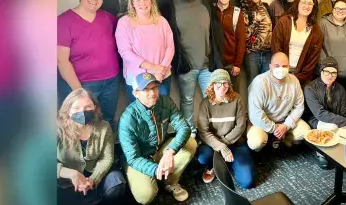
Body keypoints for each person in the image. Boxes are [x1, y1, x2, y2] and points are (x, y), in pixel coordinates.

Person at [118, 72, 197, 204]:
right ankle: (155, 177)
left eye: (154, 88)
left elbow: (184, 127)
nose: (153, 93)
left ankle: (170, 182)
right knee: (145, 196)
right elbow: (132, 157)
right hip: (139, 159)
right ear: (136, 93)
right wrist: (155, 170)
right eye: (146, 90)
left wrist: (170, 151)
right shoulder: (127, 118)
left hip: (161, 150)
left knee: (191, 143)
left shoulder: (165, 101)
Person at [162, 0, 222, 136]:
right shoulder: (170, 8)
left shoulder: (205, 4)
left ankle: (212, 133)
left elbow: (213, 35)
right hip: (186, 65)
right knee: (187, 102)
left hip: (206, 65)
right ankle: (190, 136)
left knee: (213, 100)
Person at [57, 0, 120, 130]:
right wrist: (79, 92)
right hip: (83, 83)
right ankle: (85, 153)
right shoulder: (64, 21)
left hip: (111, 81)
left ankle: (107, 152)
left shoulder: (107, 18)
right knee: (81, 124)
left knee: (107, 120)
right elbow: (62, 61)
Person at [57, 88, 126, 205]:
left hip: (95, 172)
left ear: (95, 107)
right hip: (67, 178)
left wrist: (93, 179)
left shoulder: (104, 126)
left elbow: (107, 158)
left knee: (117, 184)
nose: (83, 112)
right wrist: (70, 173)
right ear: (68, 110)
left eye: (88, 107)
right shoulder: (58, 129)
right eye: (76, 108)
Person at [196, 69, 254, 188]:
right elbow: (204, 132)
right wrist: (221, 147)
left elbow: (240, 126)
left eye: (225, 83)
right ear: (212, 85)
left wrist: (224, 144)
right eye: (218, 83)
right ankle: (214, 165)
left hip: (236, 143)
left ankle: (225, 162)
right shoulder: (205, 104)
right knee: (202, 157)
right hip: (214, 144)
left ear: (229, 84)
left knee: (247, 182)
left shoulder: (237, 99)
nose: (222, 87)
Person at [115, 0, 175, 102]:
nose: (142, 3)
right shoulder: (124, 23)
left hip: (162, 76)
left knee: (162, 112)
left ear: (151, 1)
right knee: (140, 115)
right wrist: (154, 68)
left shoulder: (161, 21)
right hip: (137, 79)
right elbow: (126, 53)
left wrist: (160, 72)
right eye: (138, 1)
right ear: (132, 4)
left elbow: (170, 48)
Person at [247, 52, 311, 152]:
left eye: (284, 66)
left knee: (305, 132)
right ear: (270, 67)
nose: (280, 69)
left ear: (289, 67)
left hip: (284, 122)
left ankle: (282, 139)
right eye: (277, 66)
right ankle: (268, 142)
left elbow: (299, 107)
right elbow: (255, 114)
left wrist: (286, 125)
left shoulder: (294, 80)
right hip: (263, 123)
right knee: (255, 142)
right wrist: (274, 128)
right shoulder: (259, 82)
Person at [303, 57, 346, 168]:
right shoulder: (310, 88)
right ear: (321, 71)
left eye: (334, 73)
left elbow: (345, 113)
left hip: (335, 119)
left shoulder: (341, 89)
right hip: (315, 120)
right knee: (331, 125)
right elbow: (320, 114)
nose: (330, 75)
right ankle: (321, 154)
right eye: (327, 71)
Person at [272, 0, 323, 86]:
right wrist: (282, 70)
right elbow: (276, 47)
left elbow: (313, 58)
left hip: (303, 76)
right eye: (303, 2)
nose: (307, 6)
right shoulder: (284, 22)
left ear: (313, 7)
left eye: (310, 4)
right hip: (280, 72)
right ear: (297, 3)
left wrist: (298, 78)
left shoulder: (316, 30)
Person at [319, 0, 346, 95]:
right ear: (333, 10)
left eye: (343, 9)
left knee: (342, 100)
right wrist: (324, 64)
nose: (340, 11)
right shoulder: (323, 23)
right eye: (338, 8)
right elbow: (318, 46)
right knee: (327, 100)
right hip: (329, 71)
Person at [212, 0, 246, 91]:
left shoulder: (237, 13)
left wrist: (237, 64)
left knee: (233, 95)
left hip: (231, 64)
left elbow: (241, 40)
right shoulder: (210, 11)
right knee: (217, 96)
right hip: (215, 62)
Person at [239, 0, 273, 86]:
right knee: (254, 84)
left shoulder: (266, 7)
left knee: (267, 85)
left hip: (267, 53)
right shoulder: (243, 9)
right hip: (252, 54)